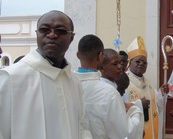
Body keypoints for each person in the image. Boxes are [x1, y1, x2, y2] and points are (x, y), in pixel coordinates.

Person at [0, 10, 90, 139]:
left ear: (71, 37)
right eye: (44, 29)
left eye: (60, 30)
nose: (52, 35)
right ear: (37, 34)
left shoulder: (74, 82)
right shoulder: (10, 78)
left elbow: (82, 127)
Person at [75, 43, 144, 139]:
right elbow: (127, 133)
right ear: (102, 67)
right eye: (115, 64)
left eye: (121, 63)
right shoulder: (109, 92)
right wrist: (135, 110)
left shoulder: (76, 83)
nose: (120, 67)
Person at [123, 36, 169, 139]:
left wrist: (161, 93)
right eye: (137, 61)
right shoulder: (123, 82)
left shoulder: (149, 85)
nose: (141, 64)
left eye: (144, 62)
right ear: (130, 63)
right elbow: (120, 108)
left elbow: (158, 106)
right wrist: (139, 104)